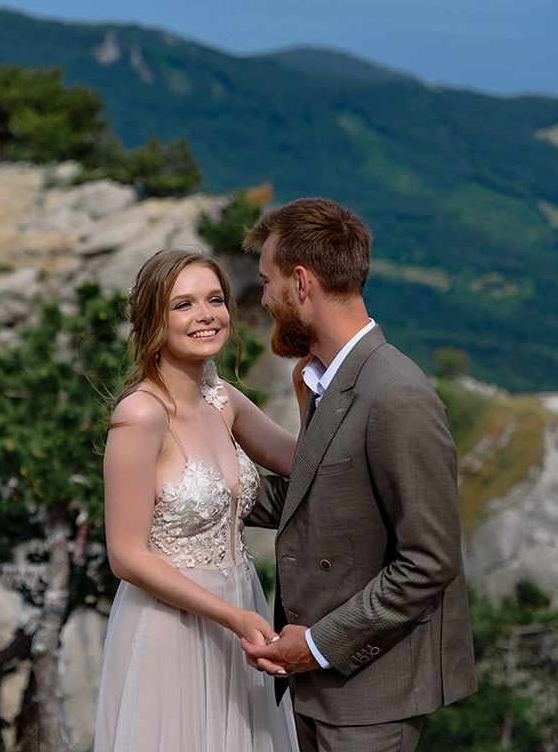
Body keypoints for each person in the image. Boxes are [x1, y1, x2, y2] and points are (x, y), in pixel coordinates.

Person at [239, 197, 477, 752]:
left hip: (370, 700)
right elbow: (308, 502)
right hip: (315, 689)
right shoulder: (330, 380)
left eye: (268, 282)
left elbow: (430, 561)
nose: (265, 299)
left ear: (301, 284)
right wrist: (182, 481)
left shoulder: (396, 395)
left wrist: (318, 645)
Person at [93, 248, 300, 752]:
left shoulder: (223, 400)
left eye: (215, 299)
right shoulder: (139, 416)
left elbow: (304, 461)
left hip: (241, 607)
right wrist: (232, 618)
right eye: (183, 305)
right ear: (152, 320)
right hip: (173, 624)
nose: (205, 315)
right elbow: (125, 556)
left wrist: (314, 379)